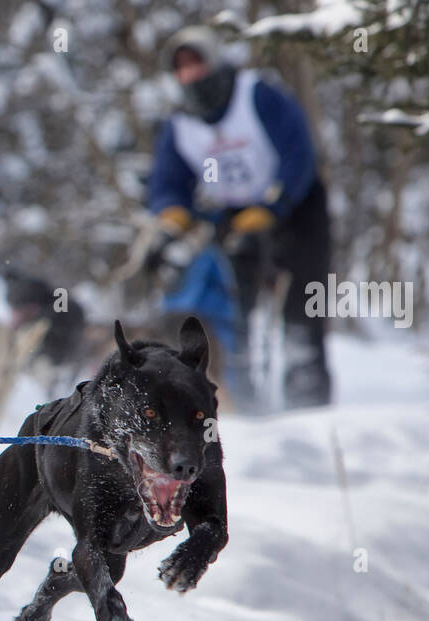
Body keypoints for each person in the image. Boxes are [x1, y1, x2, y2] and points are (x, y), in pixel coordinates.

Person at [146, 25, 333, 409]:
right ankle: (246, 401)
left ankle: (310, 402)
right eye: (181, 69)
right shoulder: (180, 123)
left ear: (214, 61)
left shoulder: (256, 95)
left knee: (303, 306)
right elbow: (168, 180)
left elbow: (297, 154)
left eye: (196, 64)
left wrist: (271, 206)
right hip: (232, 220)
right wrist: (173, 219)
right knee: (236, 313)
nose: (190, 75)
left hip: (295, 211)